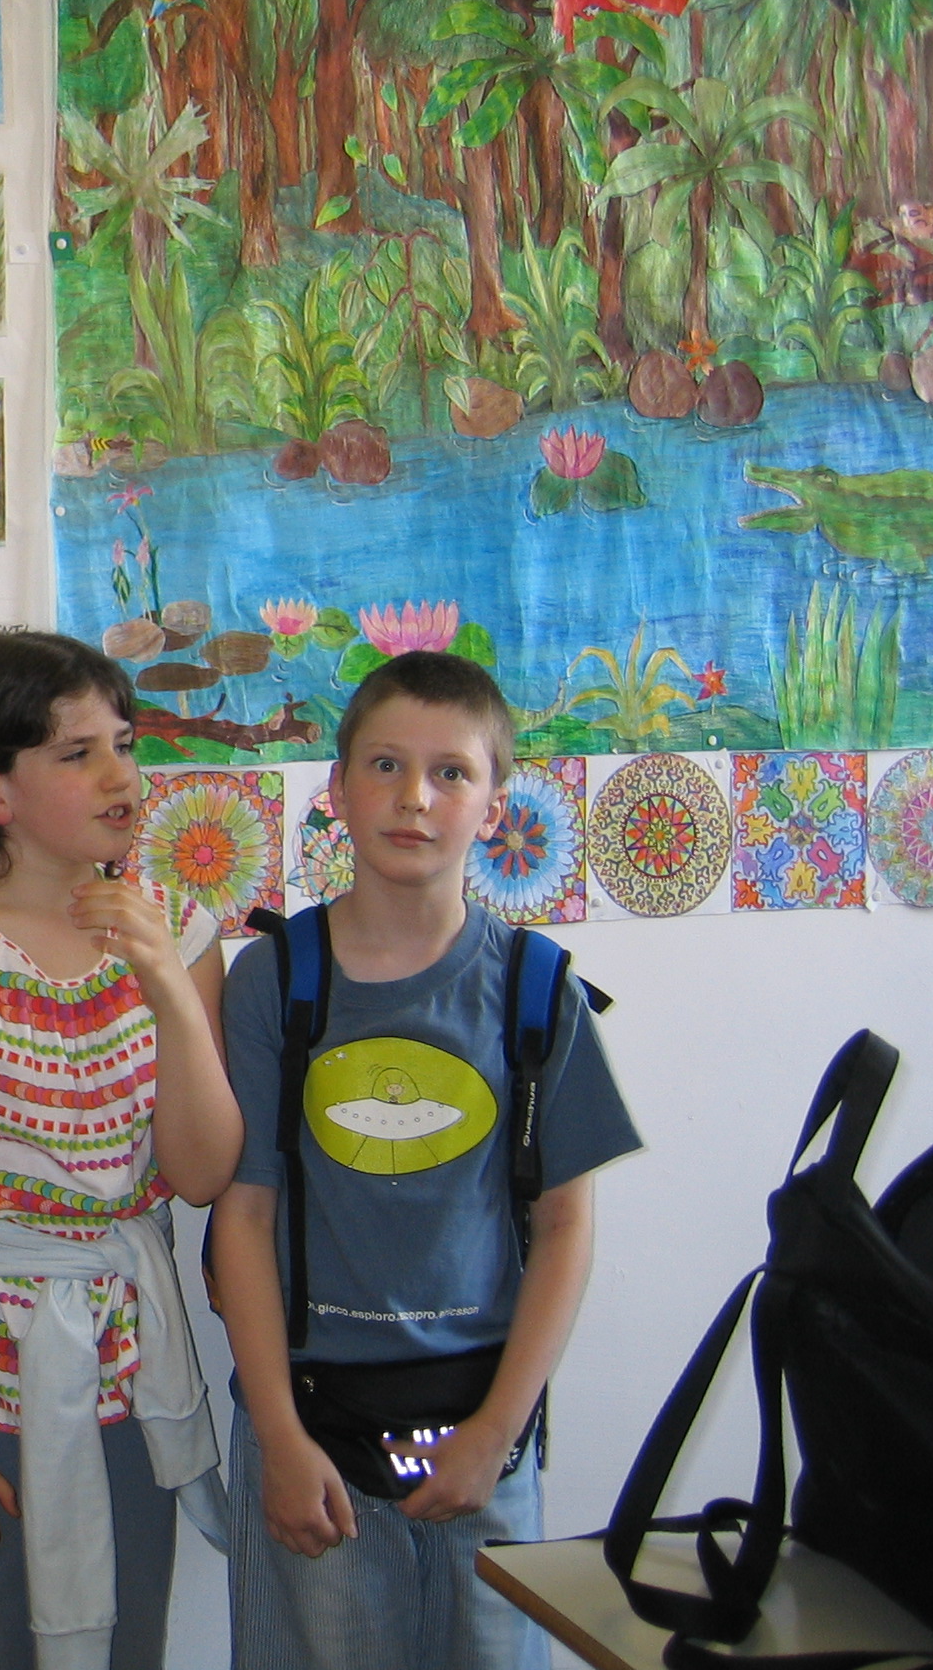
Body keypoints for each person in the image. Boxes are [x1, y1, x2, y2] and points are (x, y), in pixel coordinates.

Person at [214, 650, 640, 1670]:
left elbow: (567, 1225)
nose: (415, 797)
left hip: (486, 1434)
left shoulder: (539, 991)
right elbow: (244, 1217)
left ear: (495, 807)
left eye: (452, 772)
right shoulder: (273, 982)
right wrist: (279, 1438)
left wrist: (497, 1432)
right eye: (386, 765)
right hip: (307, 1432)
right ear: (336, 789)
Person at [0, 631, 243, 1670]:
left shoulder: (177, 928)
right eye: (78, 754)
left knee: (127, 1640)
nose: (120, 774)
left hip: (129, 1360)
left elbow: (202, 1172)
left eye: (125, 744)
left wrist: (168, 985)